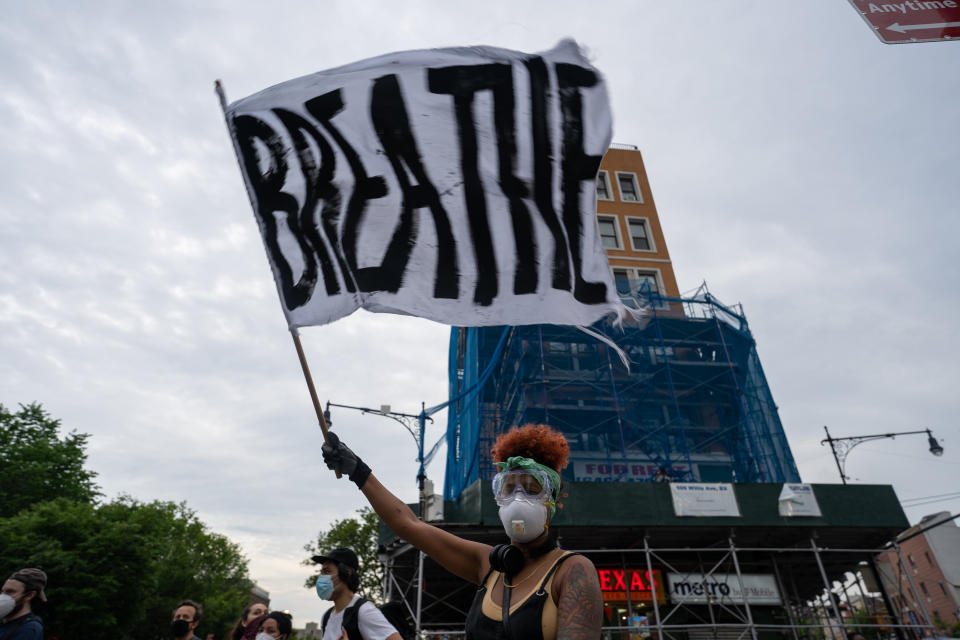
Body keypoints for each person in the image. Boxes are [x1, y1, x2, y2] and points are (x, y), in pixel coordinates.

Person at [322, 423, 603, 640]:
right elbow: (410, 525)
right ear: (497, 496)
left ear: (552, 500)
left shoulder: (572, 570)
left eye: (532, 488)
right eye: (507, 487)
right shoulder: (488, 565)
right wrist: (357, 470)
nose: (518, 497)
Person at [312, 547, 401, 640]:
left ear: (347, 573)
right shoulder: (326, 617)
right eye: (321, 572)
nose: (321, 577)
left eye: (327, 571)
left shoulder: (364, 611)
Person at [0, 568, 46, 640]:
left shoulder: (29, 629)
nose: (3, 596)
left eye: (10, 592)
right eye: (2, 591)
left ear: (29, 595)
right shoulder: (6, 624)